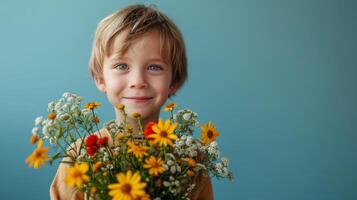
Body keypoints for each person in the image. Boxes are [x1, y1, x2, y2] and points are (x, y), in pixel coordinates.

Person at [50, 4, 213, 200]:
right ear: (100, 79)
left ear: (174, 81)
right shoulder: (80, 155)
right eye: (121, 66)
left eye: (154, 67)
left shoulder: (191, 160)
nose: (138, 81)